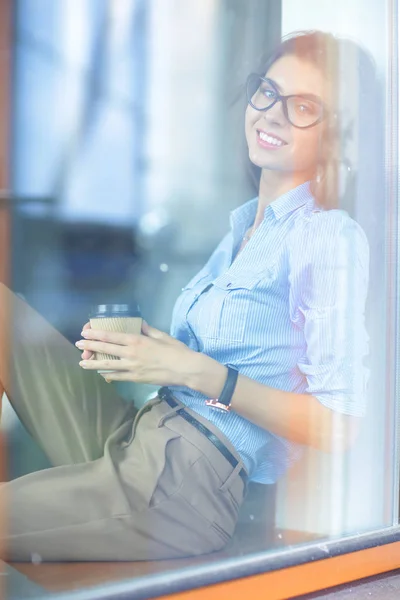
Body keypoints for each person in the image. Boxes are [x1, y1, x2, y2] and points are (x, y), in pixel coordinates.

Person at [0, 30, 372, 561]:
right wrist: (146, 352)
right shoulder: (244, 227)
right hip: (140, 435)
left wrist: (191, 369)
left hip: (183, 486)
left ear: (334, 133)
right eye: (267, 92)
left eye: (303, 107)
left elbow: (340, 424)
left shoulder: (326, 237)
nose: (272, 114)